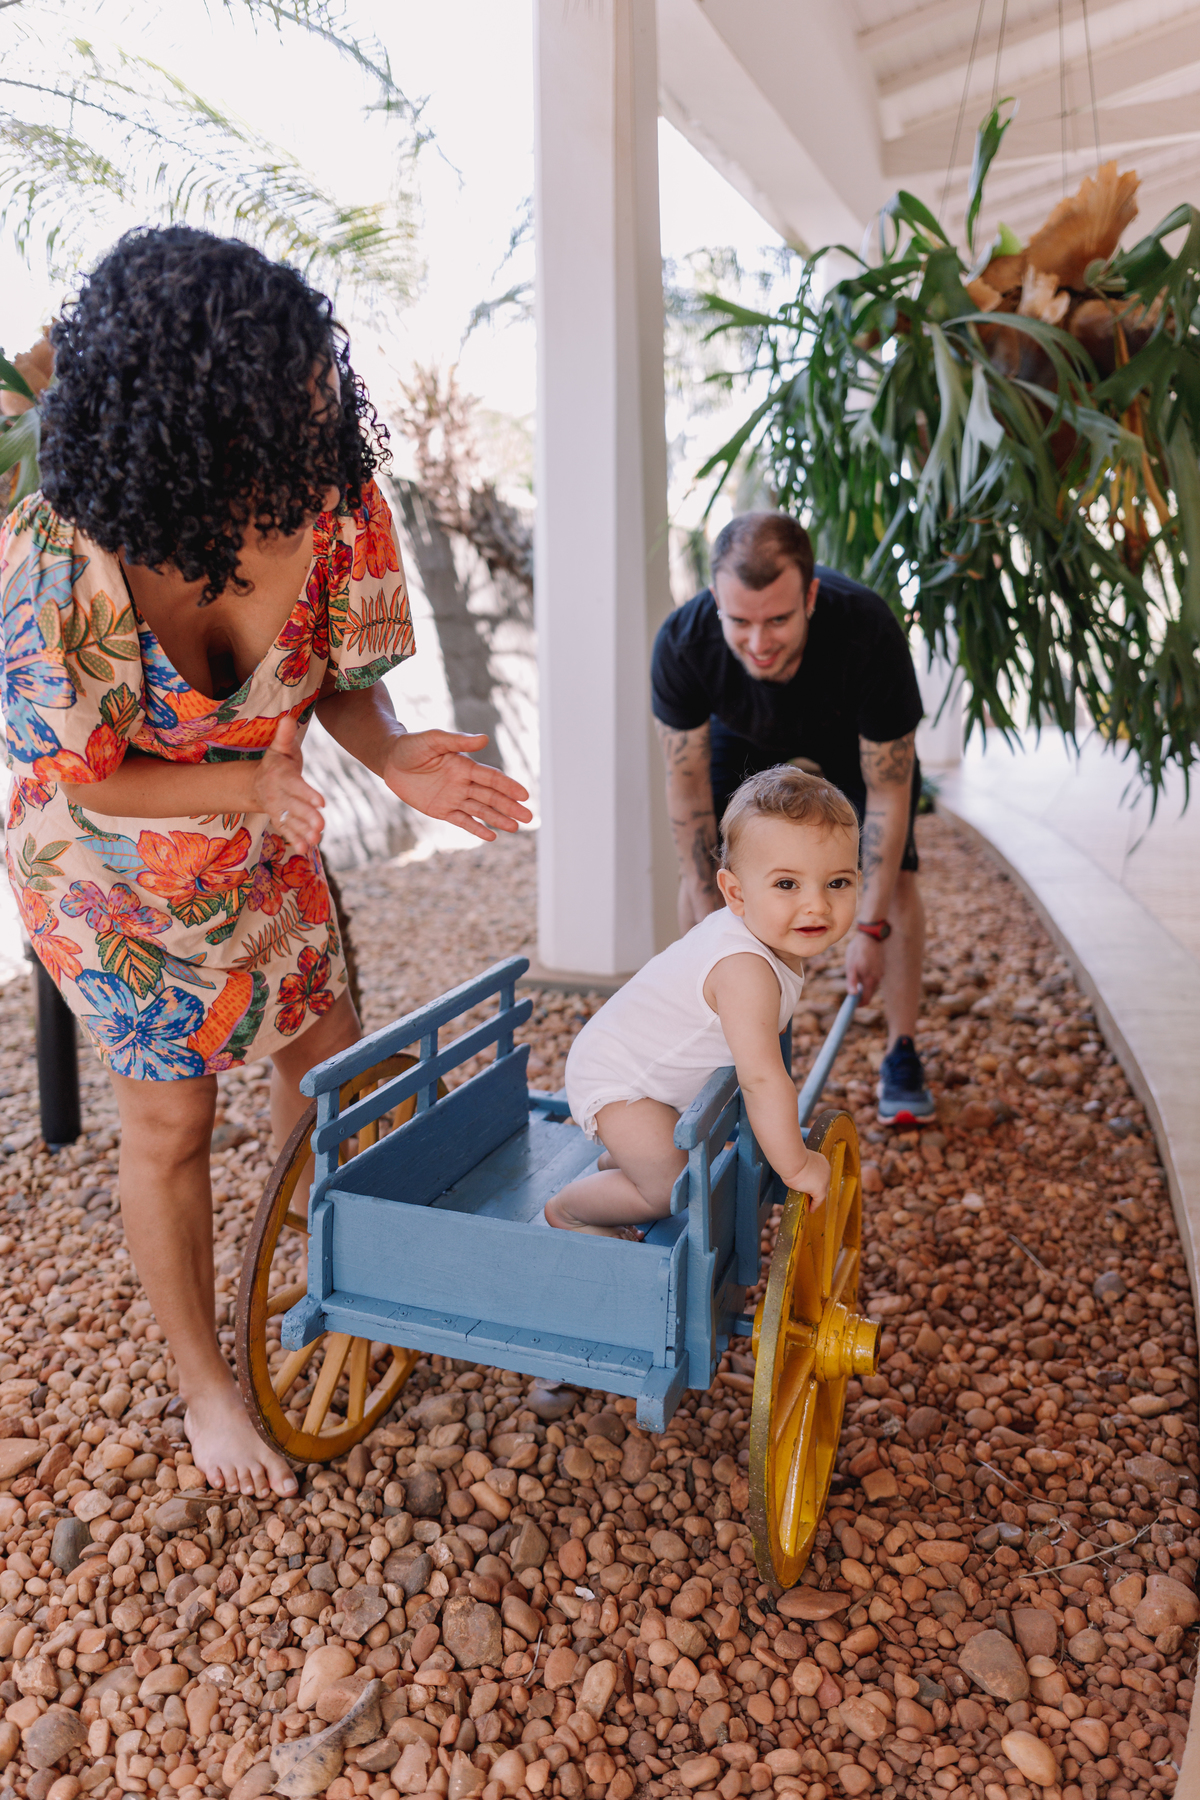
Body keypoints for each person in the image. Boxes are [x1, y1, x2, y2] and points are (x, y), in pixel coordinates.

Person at [0, 226, 531, 1498]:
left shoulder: (336, 497)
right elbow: (80, 773)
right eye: (279, 401)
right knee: (174, 1118)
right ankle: (205, 1390)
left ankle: (316, 1274)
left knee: (330, 1071)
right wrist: (247, 783)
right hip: (107, 860)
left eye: (317, 386)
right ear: (184, 411)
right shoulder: (58, 548)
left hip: (267, 829)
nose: (316, 419)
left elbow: (349, 684)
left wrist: (394, 756)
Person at [651, 511, 933, 1124]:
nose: (758, 642)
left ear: (811, 595)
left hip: (845, 734)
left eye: (778, 619)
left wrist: (870, 928)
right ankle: (714, 1051)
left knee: (899, 873)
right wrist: (715, 936)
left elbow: (888, 793)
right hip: (741, 732)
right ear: (714, 601)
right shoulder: (684, 642)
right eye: (740, 621)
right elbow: (688, 791)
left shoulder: (867, 632)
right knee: (710, 869)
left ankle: (901, 1052)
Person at [548, 768, 857, 1234]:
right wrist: (795, 1166)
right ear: (736, 892)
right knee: (669, 1188)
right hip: (621, 1081)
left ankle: (627, 1156)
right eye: (787, 885)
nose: (817, 905)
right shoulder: (745, 971)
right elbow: (761, 1079)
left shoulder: (768, 936)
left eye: (837, 883)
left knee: (667, 1159)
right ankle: (570, 1211)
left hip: (641, 1066)